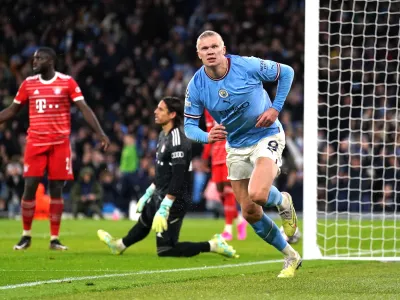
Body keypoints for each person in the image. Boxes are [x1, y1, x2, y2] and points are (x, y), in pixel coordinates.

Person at [184, 31, 301, 278]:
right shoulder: (196, 85)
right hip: (235, 145)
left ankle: (282, 201)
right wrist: (207, 136)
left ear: (223, 48)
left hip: (265, 134)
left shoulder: (246, 65)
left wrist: (275, 109)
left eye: (215, 46)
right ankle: (291, 256)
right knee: (249, 211)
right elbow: (189, 126)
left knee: (258, 194)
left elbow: (287, 72)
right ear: (199, 54)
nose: (210, 51)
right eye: (205, 48)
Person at [97, 96, 238, 258]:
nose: (155, 111)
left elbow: (179, 175)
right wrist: (150, 192)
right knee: (144, 221)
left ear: (172, 115)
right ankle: (119, 245)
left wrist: (166, 204)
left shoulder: (178, 138)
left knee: (166, 250)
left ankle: (213, 245)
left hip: (175, 198)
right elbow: (163, 171)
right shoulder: (163, 135)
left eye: (161, 109)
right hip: (161, 192)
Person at [0, 47, 110, 250]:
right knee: (30, 186)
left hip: (59, 144)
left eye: (39, 58)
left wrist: (100, 132)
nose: (34, 62)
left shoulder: (67, 82)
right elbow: (13, 110)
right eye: (34, 59)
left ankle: (54, 239)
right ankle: (26, 236)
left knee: (56, 189)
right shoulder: (28, 84)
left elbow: (84, 107)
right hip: (35, 142)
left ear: (50, 61)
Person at [201, 110, 247, 241]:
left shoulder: (228, 100)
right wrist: (205, 156)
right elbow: (210, 132)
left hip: (229, 151)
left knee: (228, 191)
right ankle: (239, 220)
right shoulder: (207, 109)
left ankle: (228, 229)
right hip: (216, 154)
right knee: (220, 191)